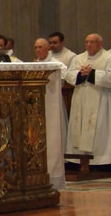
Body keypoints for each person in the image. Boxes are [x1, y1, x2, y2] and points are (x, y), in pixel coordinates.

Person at [65, 34, 111, 165]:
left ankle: (101, 162)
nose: (89, 45)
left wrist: (93, 74)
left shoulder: (108, 57)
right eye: (87, 42)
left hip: (101, 100)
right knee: (79, 126)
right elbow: (69, 75)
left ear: (100, 44)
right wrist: (81, 74)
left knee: (100, 128)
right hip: (81, 99)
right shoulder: (79, 58)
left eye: (92, 42)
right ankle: (78, 161)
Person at [34, 37, 68, 189]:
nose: (38, 49)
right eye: (36, 47)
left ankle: (55, 176)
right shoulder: (33, 64)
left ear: (48, 48)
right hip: (38, 107)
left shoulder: (55, 64)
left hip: (52, 106)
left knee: (53, 137)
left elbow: (64, 76)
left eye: (41, 46)